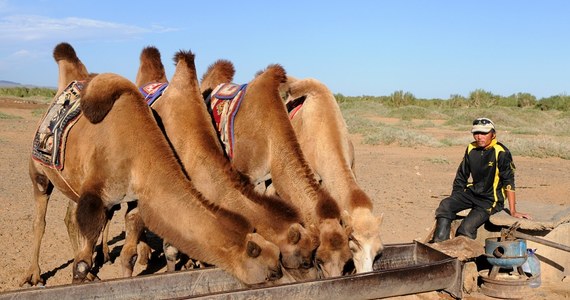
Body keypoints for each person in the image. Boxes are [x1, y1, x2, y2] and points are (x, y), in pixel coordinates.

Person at [432, 117, 531, 243]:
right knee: (445, 205)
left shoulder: (501, 152)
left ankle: (466, 258)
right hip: (472, 193)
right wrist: (456, 198)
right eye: (476, 133)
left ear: (493, 134)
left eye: (484, 133)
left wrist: (513, 211)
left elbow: (509, 182)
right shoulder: (471, 149)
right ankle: (439, 244)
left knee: (466, 228)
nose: (479, 137)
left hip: (490, 200)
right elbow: (461, 175)